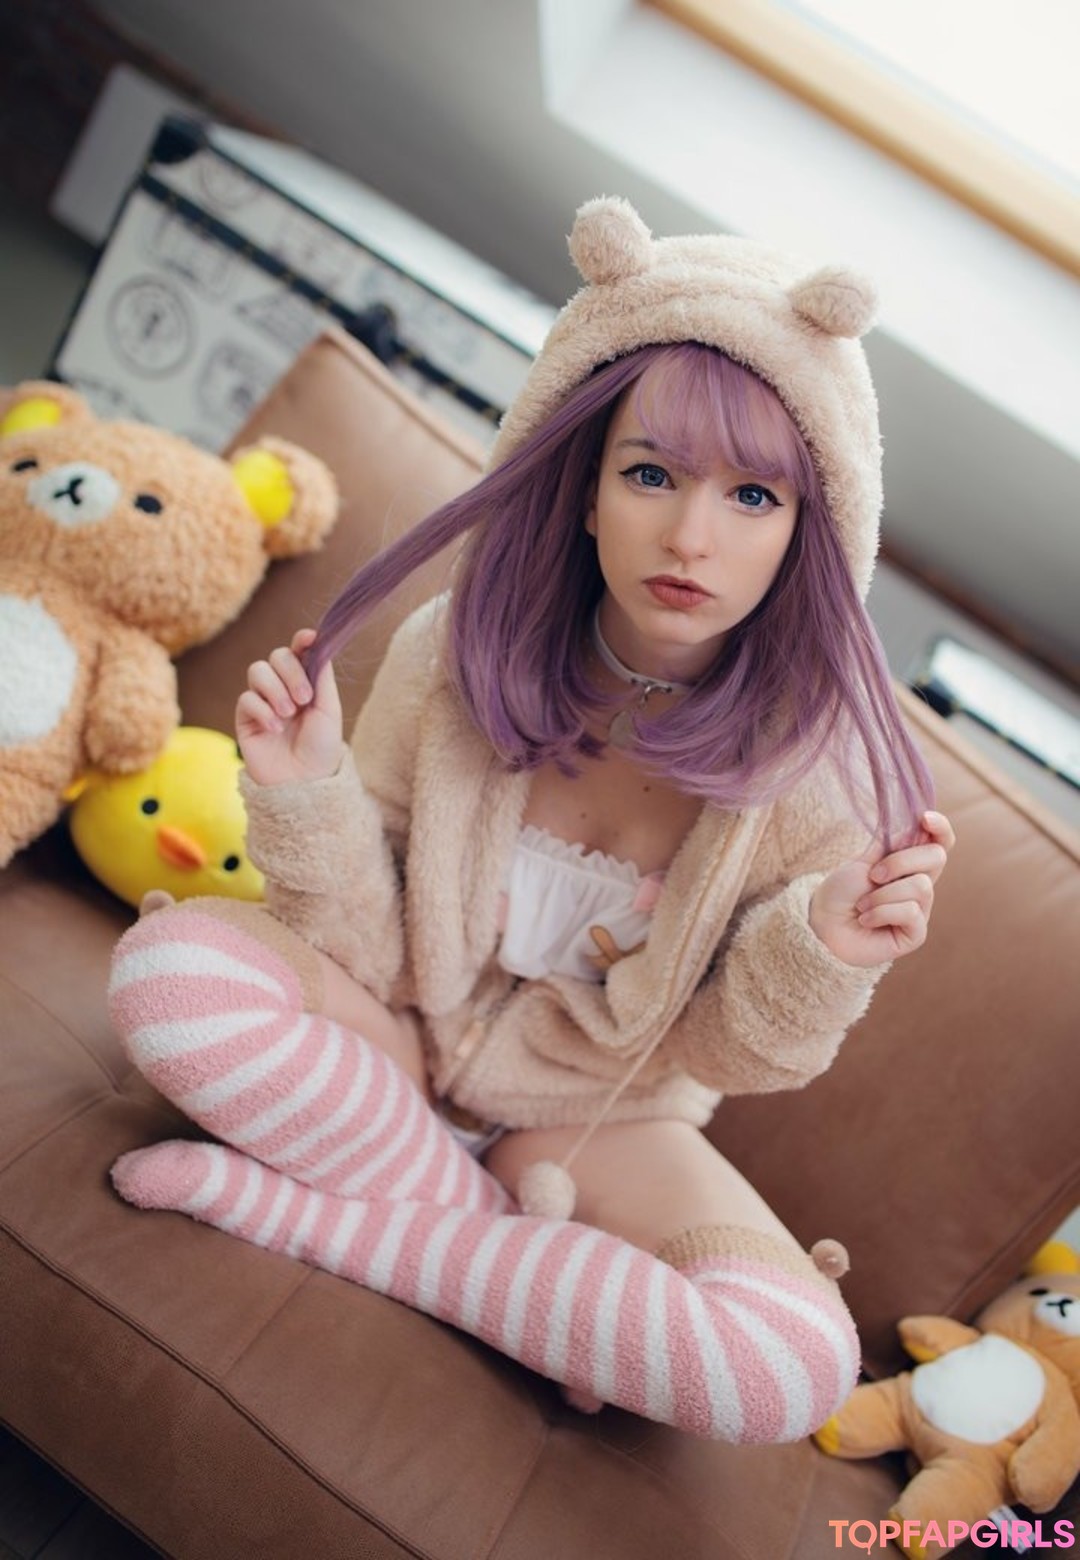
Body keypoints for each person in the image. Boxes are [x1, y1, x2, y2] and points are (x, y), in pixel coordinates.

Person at [108, 196, 955, 1444]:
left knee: (791, 1367)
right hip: (393, 1035)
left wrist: (820, 948)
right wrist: (306, 789)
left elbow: (727, 1056)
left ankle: (331, 1221)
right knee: (170, 976)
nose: (691, 537)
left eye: (754, 497)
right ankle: (510, 1269)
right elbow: (362, 937)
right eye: (651, 474)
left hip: (599, 1125)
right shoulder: (455, 651)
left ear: (808, 532)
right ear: (586, 488)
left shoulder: (822, 781)